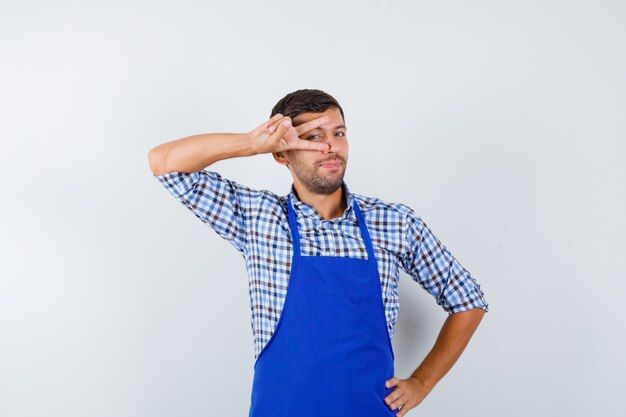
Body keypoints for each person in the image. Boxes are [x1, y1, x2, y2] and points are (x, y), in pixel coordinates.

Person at [147, 89, 489, 417]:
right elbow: (164, 163)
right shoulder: (258, 218)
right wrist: (253, 144)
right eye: (312, 137)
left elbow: (468, 300)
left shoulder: (393, 222)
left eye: (339, 133)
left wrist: (420, 383)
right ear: (282, 153)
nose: (330, 147)